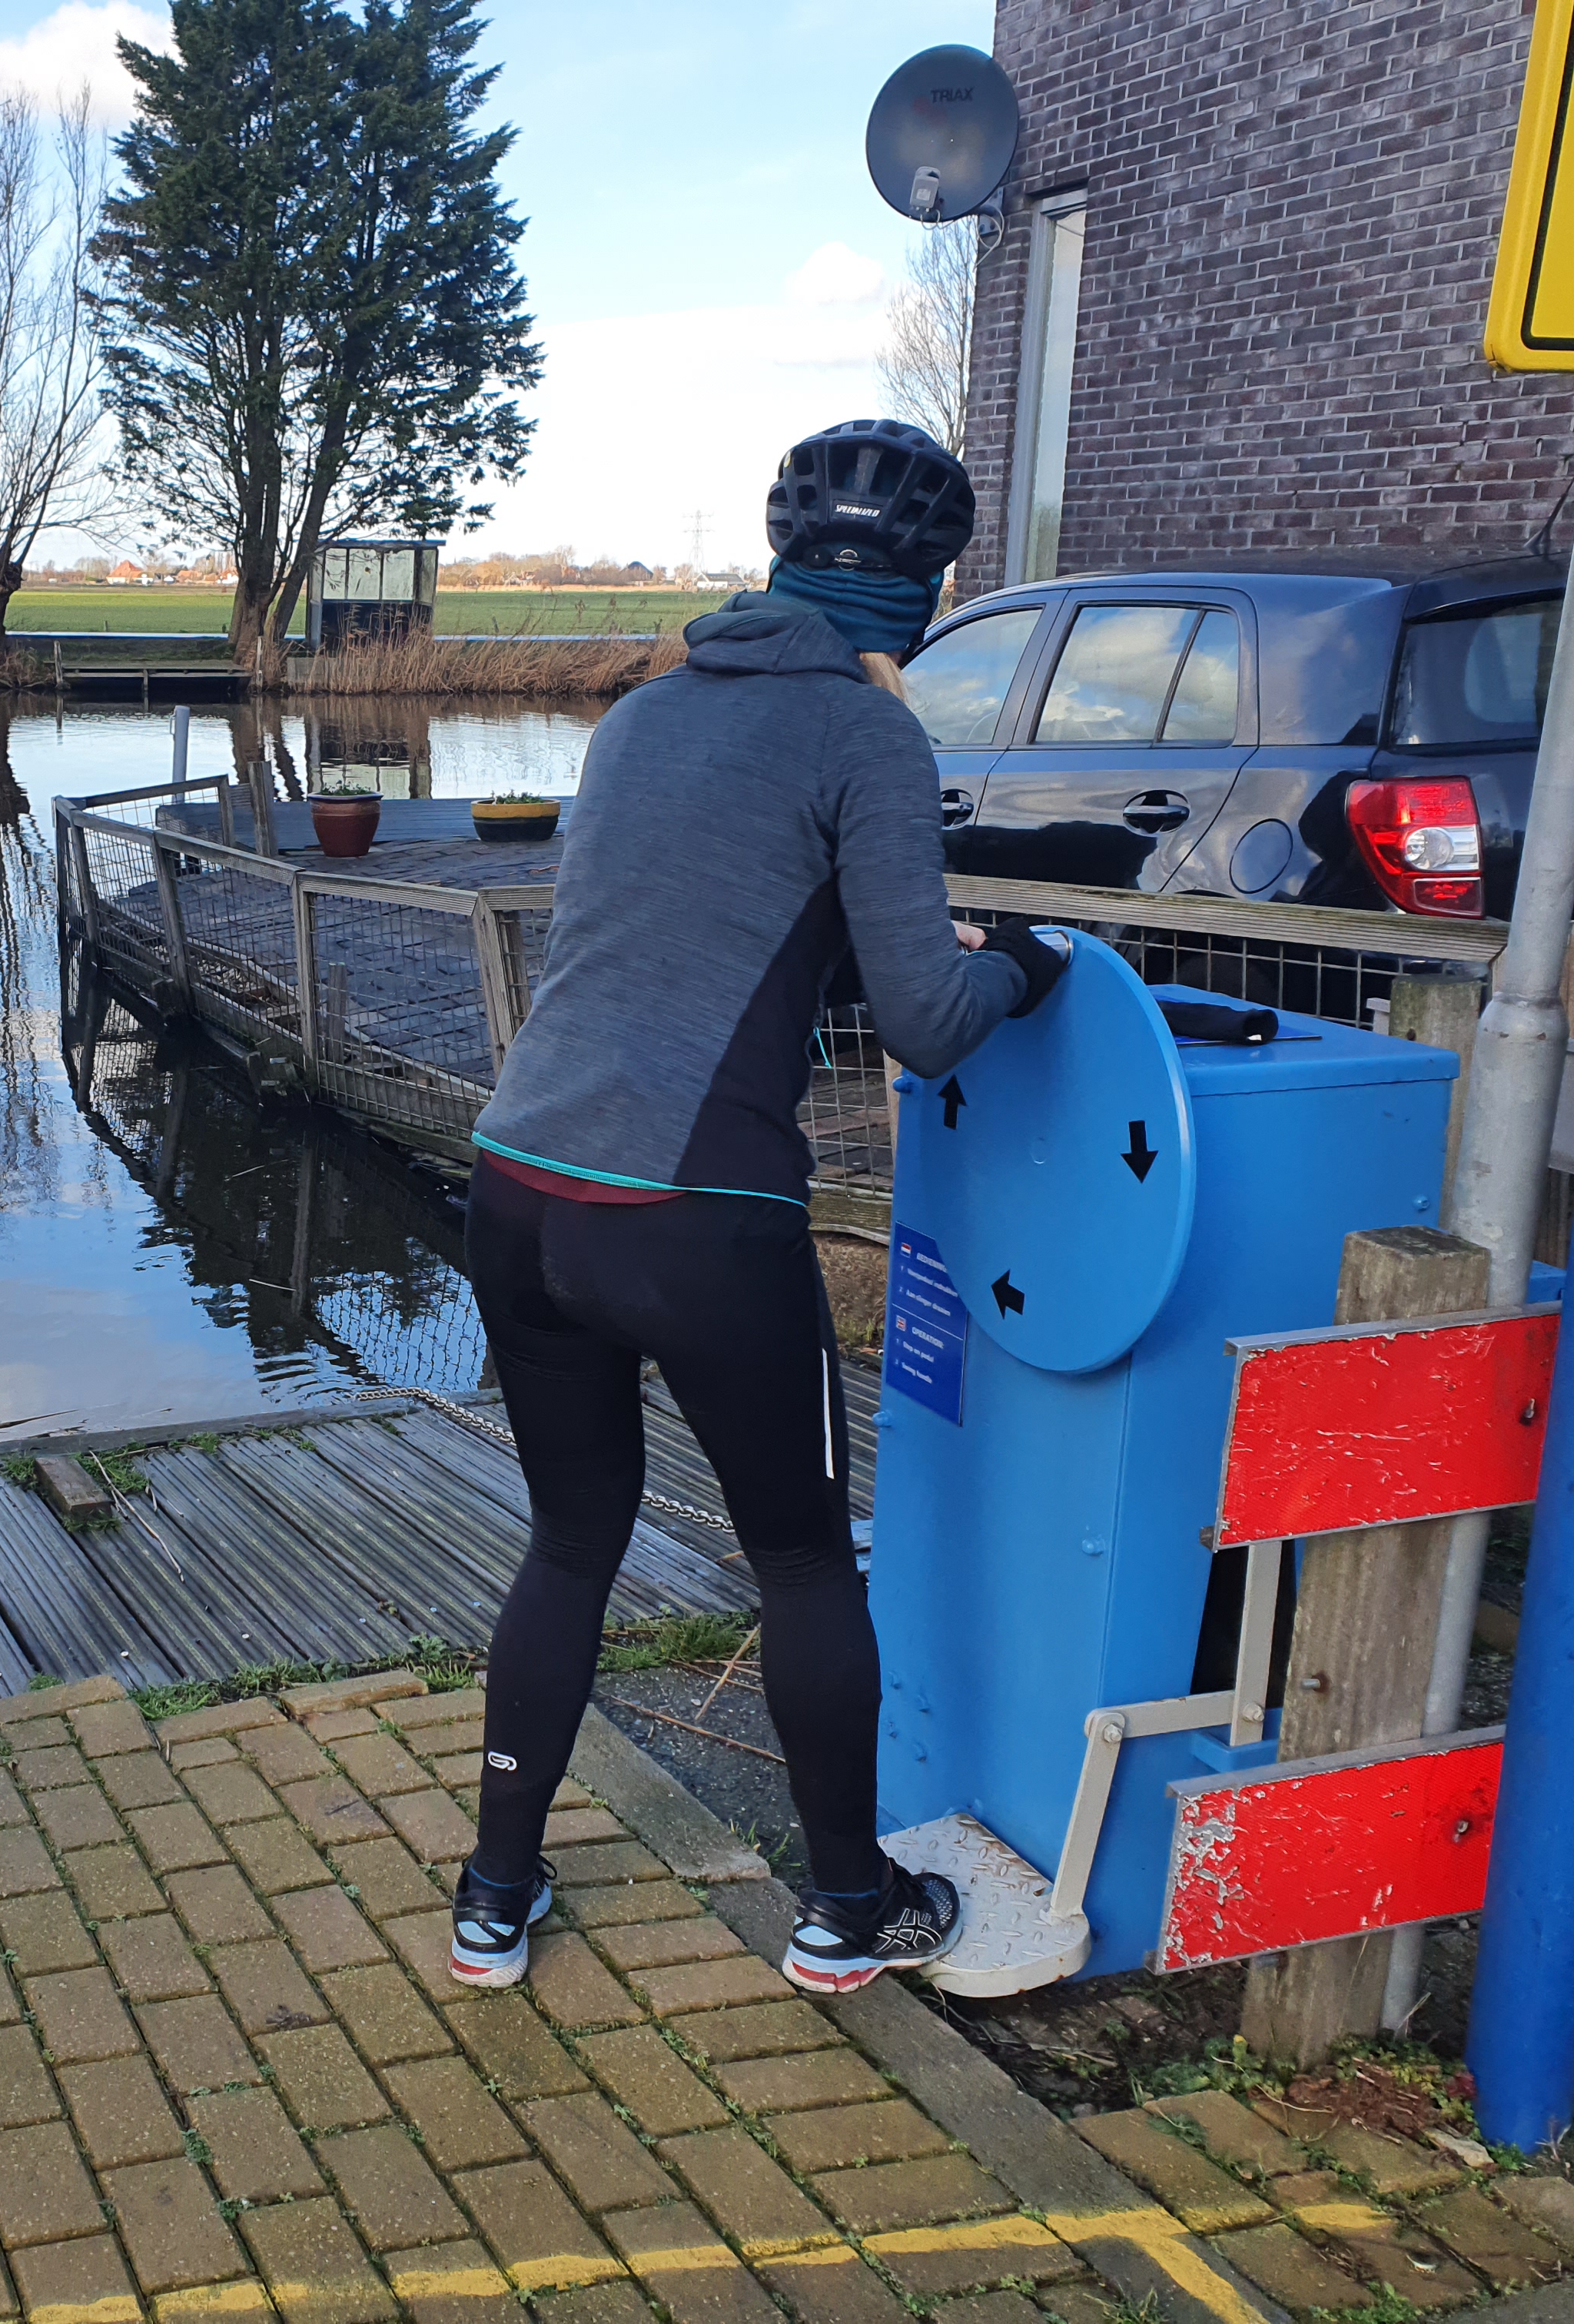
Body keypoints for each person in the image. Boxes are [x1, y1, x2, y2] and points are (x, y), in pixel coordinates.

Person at [448, 419, 1073, 1995]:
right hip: (696, 1218)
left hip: (518, 1184)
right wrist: (1025, 966)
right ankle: (851, 1911)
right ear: (922, 594)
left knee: (570, 1541)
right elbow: (928, 1023)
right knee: (800, 1565)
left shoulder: (641, 715)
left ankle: (493, 1898)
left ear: (780, 559)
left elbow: (696, 935)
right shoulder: (868, 736)